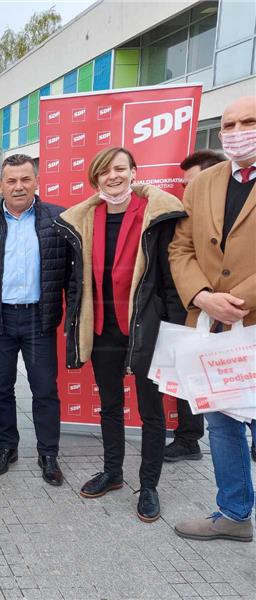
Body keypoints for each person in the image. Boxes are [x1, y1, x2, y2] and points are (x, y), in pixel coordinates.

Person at [54, 146, 186, 522]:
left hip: (146, 326)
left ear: (133, 172)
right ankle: (113, 472)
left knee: (150, 410)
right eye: (104, 171)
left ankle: (149, 486)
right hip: (102, 328)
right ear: (95, 178)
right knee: (110, 405)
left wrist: (175, 329)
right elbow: (76, 281)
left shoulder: (154, 217)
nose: (112, 177)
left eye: (119, 169)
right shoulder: (86, 218)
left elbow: (169, 278)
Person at [170, 96, 256, 542]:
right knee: (221, 422)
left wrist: (232, 299)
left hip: (250, 321)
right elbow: (181, 247)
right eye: (229, 123)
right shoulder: (202, 185)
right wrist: (202, 296)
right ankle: (234, 513)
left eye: (248, 122)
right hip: (212, 325)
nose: (237, 131)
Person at [0, 154, 69, 486]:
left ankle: (48, 453)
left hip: (38, 318)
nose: (18, 186)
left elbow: (73, 274)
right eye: (11, 180)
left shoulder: (58, 218)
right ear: (0, 185)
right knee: (1, 388)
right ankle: (8, 447)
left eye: (25, 179)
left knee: (45, 389)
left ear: (36, 181)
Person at [164, 150, 226, 463]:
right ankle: (189, 438)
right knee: (189, 377)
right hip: (187, 308)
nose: (188, 190)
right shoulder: (183, 216)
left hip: (237, 311)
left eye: (193, 183)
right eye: (186, 185)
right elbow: (178, 255)